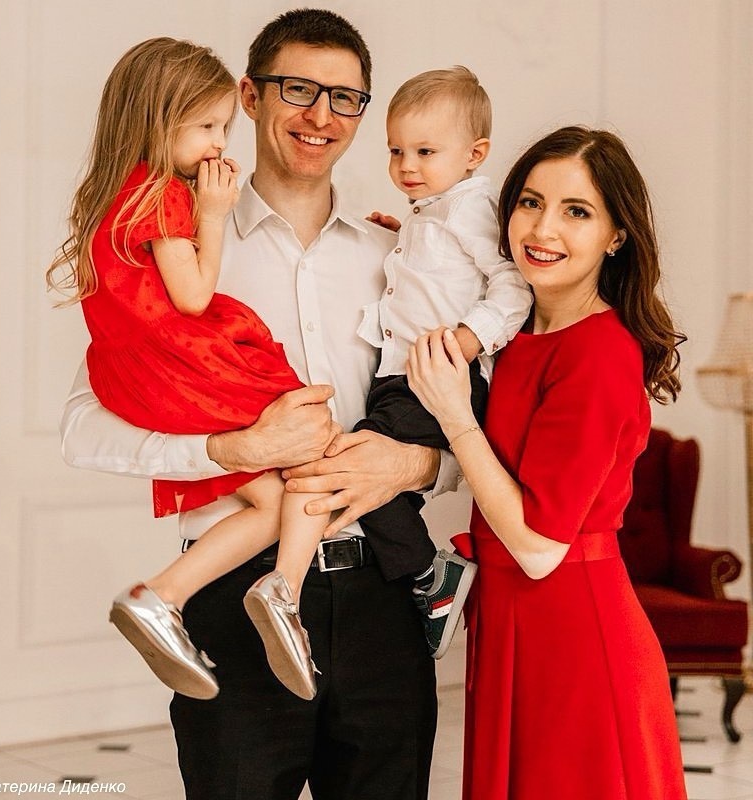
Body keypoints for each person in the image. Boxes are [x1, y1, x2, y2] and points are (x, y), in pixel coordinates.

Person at [59, 9, 443, 800]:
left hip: (382, 602)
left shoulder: (401, 256)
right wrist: (230, 452)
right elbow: (84, 427)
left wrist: (418, 466)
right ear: (249, 96)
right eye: (298, 89)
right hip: (233, 599)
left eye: (345, 98)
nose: (322, 115)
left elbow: (465, 421)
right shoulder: (171, 242)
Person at [46, 36, 344, 703]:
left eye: (222, 128)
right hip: (180, 362)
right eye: (207, 127)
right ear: (159, 122)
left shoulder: (114, 196)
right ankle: (285, 591)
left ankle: (160, 597)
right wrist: (212, 213)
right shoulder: (165, 197)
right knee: (313, 432)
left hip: (133, 374)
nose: (217, 145)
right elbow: (193, 296)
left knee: (271, 501)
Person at [406, 125, 688, 799]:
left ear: (616, 236)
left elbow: (538, 549)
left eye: (577, 211)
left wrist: (456, 418)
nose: (542, 229)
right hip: (516, 625)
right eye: (530, 202)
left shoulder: (599, 354)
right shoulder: (516, 332)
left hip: (575, 639)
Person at [353, 67, 532, 658]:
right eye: (396, 150)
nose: (406, 165)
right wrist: (399, 242)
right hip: (404, 375)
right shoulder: (429, 211)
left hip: (439, 377)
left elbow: (513, 284)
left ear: (474, 154)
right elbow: (437, 275)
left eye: (425, 151)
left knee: (357, 464)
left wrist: (470, 339)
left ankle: (430, 576)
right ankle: (424, 584)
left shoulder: (470, 207)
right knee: (374, 479)